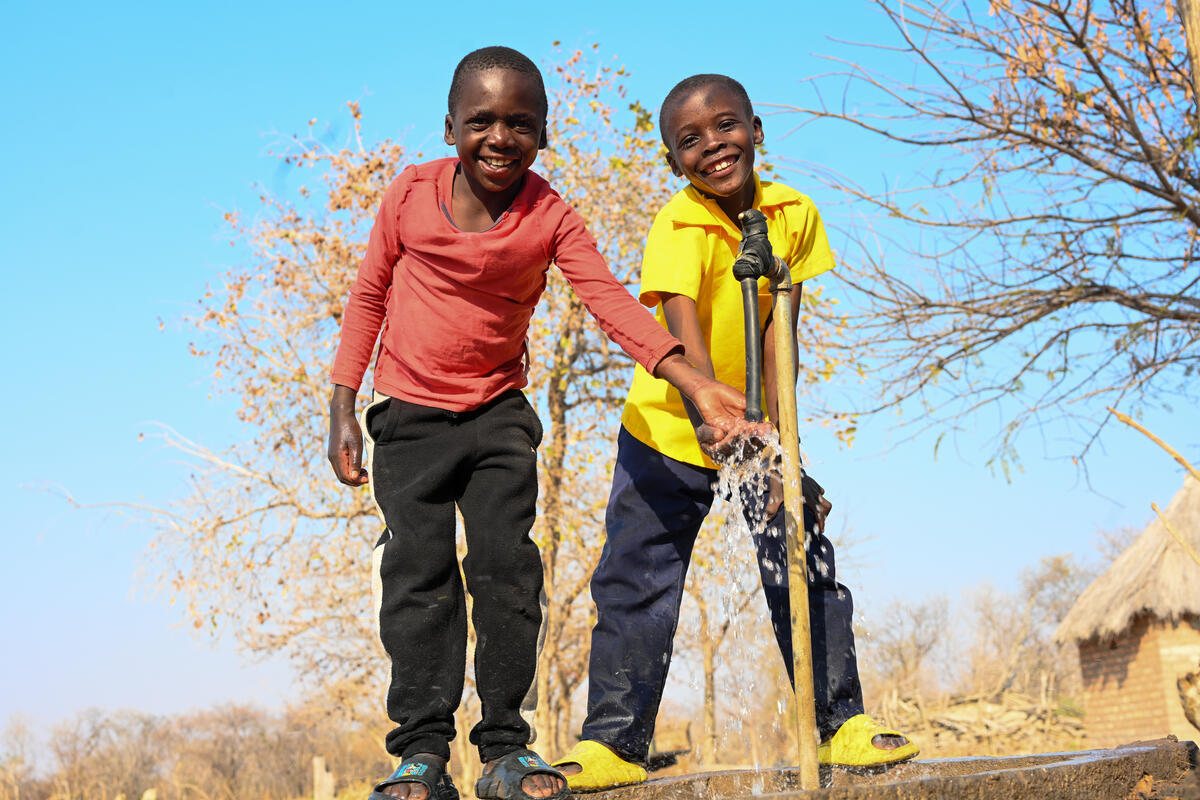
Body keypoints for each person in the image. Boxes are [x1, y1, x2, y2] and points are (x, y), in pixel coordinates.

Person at [326, 51, 759, 800]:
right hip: (408, 414)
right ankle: (422, 756)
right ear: (450, 127)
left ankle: (505, 749)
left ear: (543, 133)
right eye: (482, 121)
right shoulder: (408, 195)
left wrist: (693, 382)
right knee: (416, 578)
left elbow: (614, 304)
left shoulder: (550, 215)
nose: (501, 137)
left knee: (507, 572)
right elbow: (368, 295)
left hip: (497, 412)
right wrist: (341, 404)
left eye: (521, 123)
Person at [553, 74, 919, 791]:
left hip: (755, 424)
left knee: (801, 554)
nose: (711, 147)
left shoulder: (794, 214)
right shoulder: (679, 223)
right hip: (668, 427)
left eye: (725, 127)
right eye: (688, 140)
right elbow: (680, 323)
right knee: (636, 578)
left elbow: (785, 337)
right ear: (672, 160)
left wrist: (785, 452)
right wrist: (706, 416)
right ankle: (614, 744)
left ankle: (841, 724)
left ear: (756, 128)